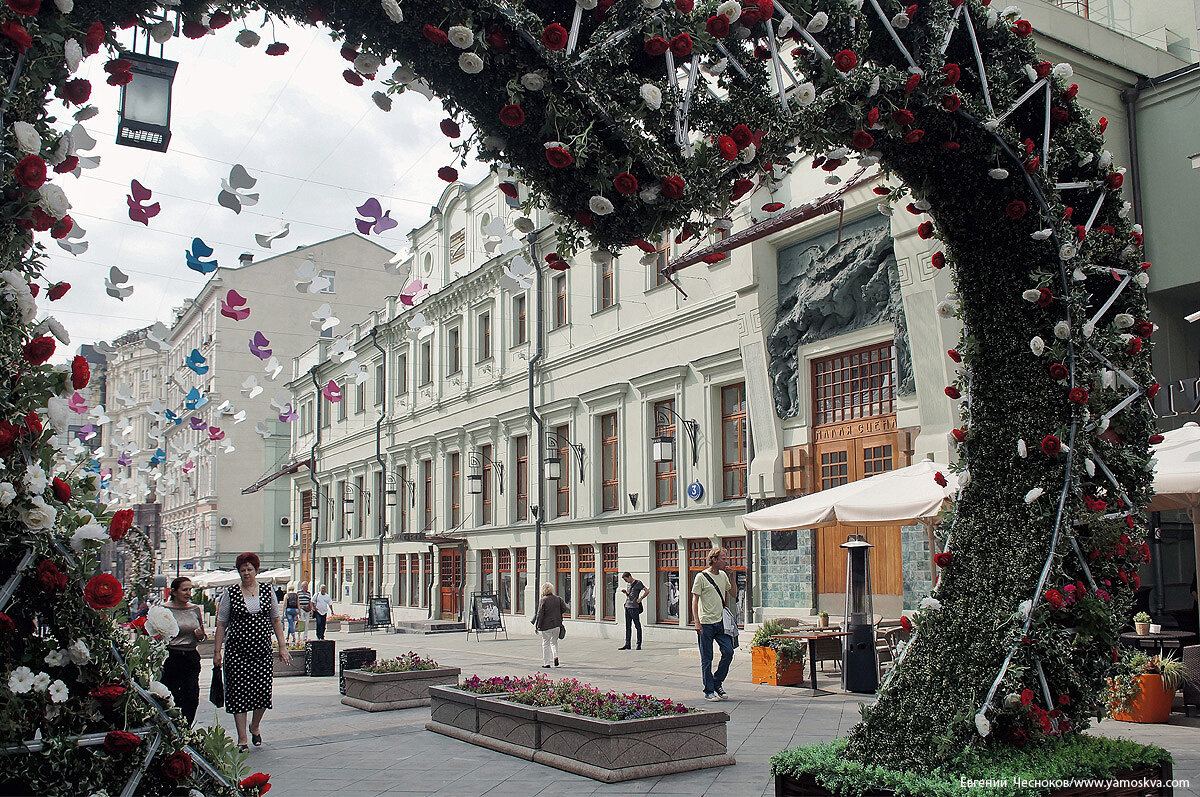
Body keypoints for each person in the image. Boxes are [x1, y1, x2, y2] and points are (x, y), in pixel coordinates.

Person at [213, 552, 290, 753]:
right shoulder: (230, 593)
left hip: (262, 651)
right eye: (242, 570)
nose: (246, 573)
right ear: (238, 572)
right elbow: (221, 624)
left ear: (256, 570)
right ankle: (242, 738)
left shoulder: (267, 590)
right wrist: (217, 651)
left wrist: (282, 646)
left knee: (263, 693)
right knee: (238, 693)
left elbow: (275, 620)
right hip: (236, 651)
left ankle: (254, 725)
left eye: (249, 569)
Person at [160, 576, 206, 725]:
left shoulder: (194, 609)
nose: (188, 593)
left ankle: (186, 728)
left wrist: (201, 636)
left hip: (190, 656)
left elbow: (202, 635)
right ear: (174, 592)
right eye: (184, 590)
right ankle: (173, 728)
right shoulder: (164, 609)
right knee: (172, 694)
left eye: (190, 590)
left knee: (191, 695)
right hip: (172, 656)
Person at [691, 547, 735, 702]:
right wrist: (696, 621)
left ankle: (717, 682)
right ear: (714, 559)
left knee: (729, 652)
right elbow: (695, 600)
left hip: (721, 622)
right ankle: (709, 690)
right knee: (707, 657)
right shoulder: (701, 577)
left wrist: (732, 576)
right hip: (705, 623)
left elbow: (733, 594)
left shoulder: (723, 575)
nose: (726, 561)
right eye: (723, 558)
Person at [533, 583, 568, 668]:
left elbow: (540, 614)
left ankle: (547, 663)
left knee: (546, 644)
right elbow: (565, 609)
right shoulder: (558, 599)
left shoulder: (543, 600)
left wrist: (537, 626)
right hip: (557, 624)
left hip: (546, 626)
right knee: (554, 642)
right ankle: (555, 657)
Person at [617, 572, 647, 651]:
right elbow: (630, 596)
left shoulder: (638, 583)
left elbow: (647, 591)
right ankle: (627, 644)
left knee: (637, 626)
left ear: (630, 577)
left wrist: (641, 598)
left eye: (626, 579)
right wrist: (626, 593)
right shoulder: (628, 584)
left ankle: (638, 644)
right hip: (627, 606)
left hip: (634, 608)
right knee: (628, 626)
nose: (626, 581)